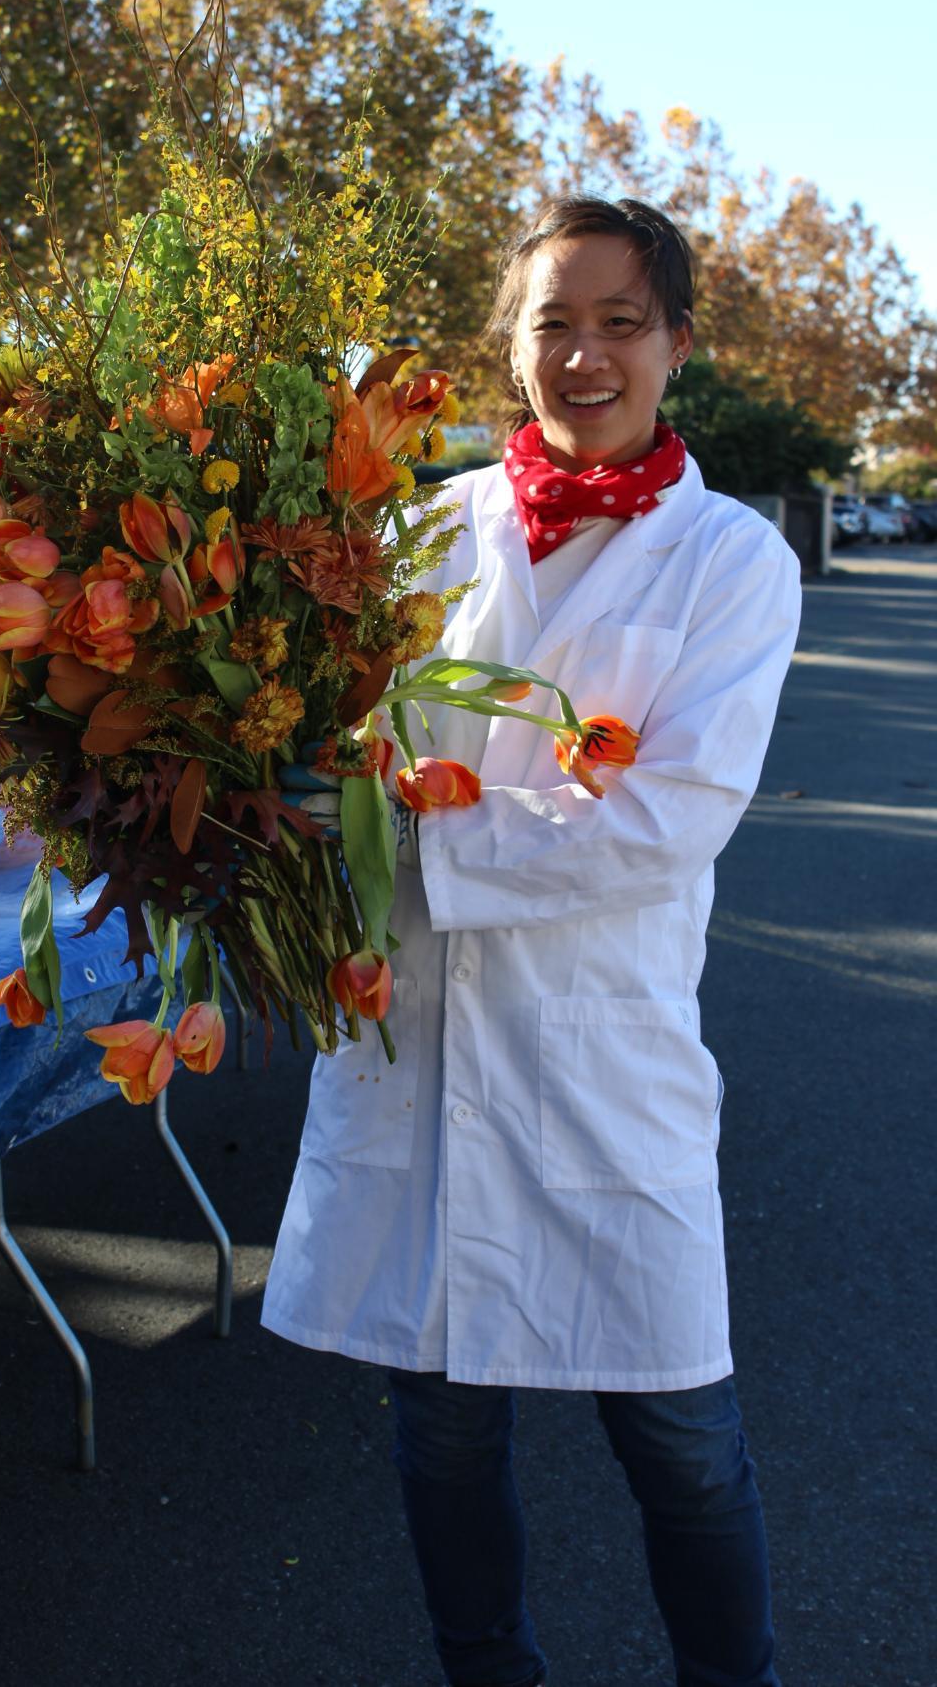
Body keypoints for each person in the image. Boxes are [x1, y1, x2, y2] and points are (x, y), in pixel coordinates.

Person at [262, 196, 802, 1687]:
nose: (584, 355)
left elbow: (669, 814)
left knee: (686, 1436)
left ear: (676, 345)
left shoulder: (732, 565)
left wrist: (411, 848)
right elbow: (338, 744)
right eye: (552, 323)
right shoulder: (419, 534)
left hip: (602, 1062)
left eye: (619, 323)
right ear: (512, 348)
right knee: (440, 1432)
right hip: (420, 1052)